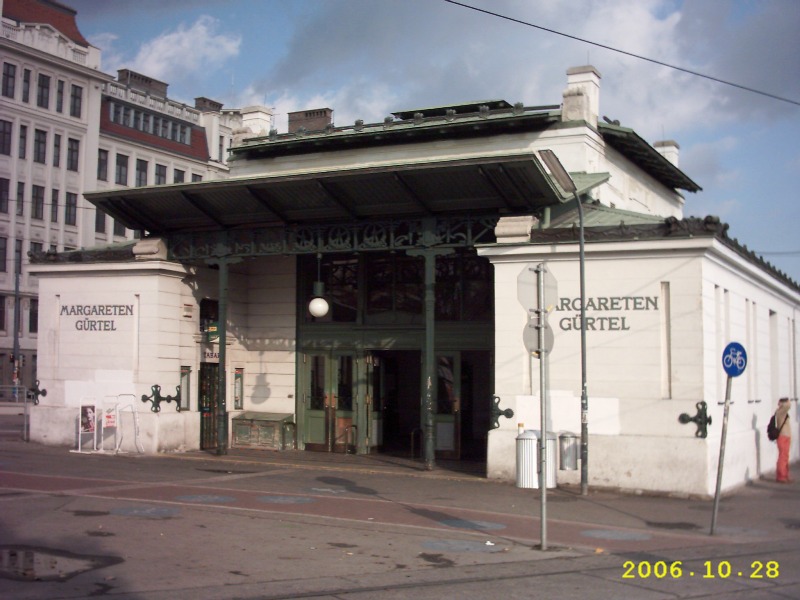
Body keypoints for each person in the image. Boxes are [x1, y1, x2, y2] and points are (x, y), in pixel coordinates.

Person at [774, 397, 791, 483]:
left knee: (785, 456)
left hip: (785, 436)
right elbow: (788, 406)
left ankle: (785, 475)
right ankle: (781, 476)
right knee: (783, 457)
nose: (789, 402)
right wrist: (785, 402)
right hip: (783, 436)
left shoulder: (782, 412)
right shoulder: (780, 412)